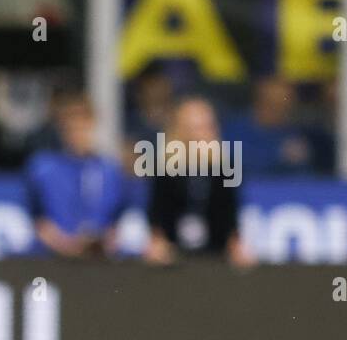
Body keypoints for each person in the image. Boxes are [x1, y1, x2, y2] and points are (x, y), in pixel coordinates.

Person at [145, 96, 254, 267]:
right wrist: (157, 243)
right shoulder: (164, 170)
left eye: (207, 127)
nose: (203, 135)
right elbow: (157, 216)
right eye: (196, 129)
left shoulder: (225, 170)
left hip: (216, 257)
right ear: (180, 132)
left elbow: (230, 217)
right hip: (174, 257)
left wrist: (236, 246)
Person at [24, 94, 127, 258]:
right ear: (61, 127)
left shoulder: (110, 170)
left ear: (92, 123)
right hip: (53, 259)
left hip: (100, 261)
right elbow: (36, 221)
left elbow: (118, 223)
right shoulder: (42, 168)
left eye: (82, 124)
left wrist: (100, 242)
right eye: (71, 125)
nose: (77, 131)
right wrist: (66, 244)